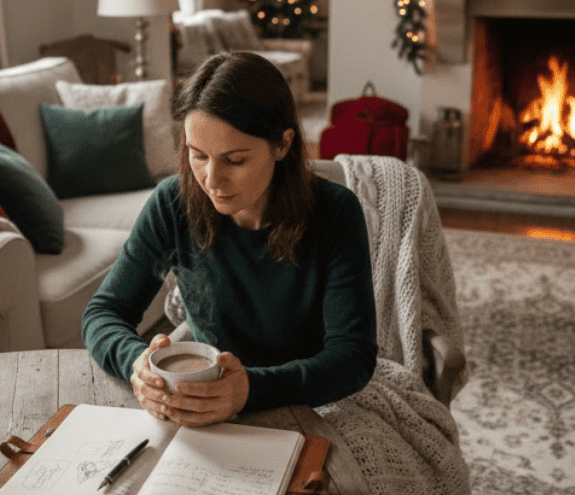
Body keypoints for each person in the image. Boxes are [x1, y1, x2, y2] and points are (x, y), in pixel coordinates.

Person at [81, 51, 378, 427]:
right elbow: (103, 313)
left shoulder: (335, 213)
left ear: (283, 145)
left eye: (235, 160)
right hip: (204, 401)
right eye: (198, 155)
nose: (212, 180)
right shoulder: (173, 203)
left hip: (306, 400)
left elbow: (352, 357)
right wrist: (136, 363)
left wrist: (248, 390)